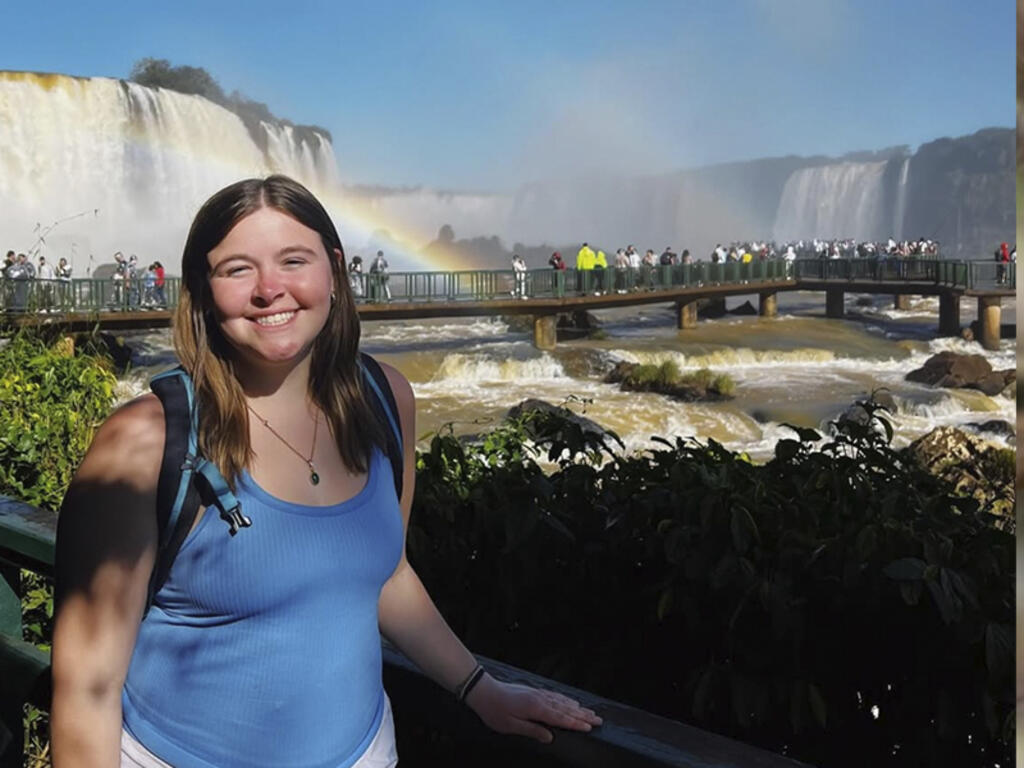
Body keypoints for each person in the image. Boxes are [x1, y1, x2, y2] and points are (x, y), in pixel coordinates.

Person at [51, 175, 601, 768]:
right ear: (204, 292)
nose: (270, 290)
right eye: (237, 270)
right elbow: (88, 690)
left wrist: (480, 688)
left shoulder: (386, 400)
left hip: (366, 753)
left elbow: (388, 574)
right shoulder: (145, 440)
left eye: (294, 260)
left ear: (335, 270)